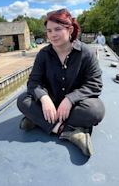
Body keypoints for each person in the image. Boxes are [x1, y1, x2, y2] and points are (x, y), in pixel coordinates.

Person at [17, 8, 105, 157]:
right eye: (49, 31)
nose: (52, 35)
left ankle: (39, 121)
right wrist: (44, 99)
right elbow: (33, 82)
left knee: (96, 110)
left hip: (74, 106)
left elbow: (95, 84)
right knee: (22, 100)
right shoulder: (43, 54)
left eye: (57, 29)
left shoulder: (86, 53)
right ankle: (69, 132)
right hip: (49, 104)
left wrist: (70, 99)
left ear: (70, 29)